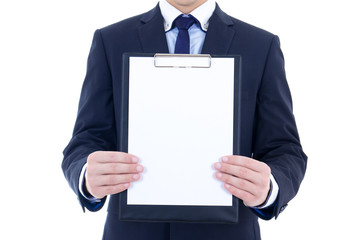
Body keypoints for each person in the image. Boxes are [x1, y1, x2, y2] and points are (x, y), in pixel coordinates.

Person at [62, 0, 307, 239]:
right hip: (133, 232)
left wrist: (270, 189)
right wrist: (86, 177)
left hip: (228, 233)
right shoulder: (111, 40)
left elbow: (284, 148)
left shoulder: (261, 45)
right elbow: (86, 139)